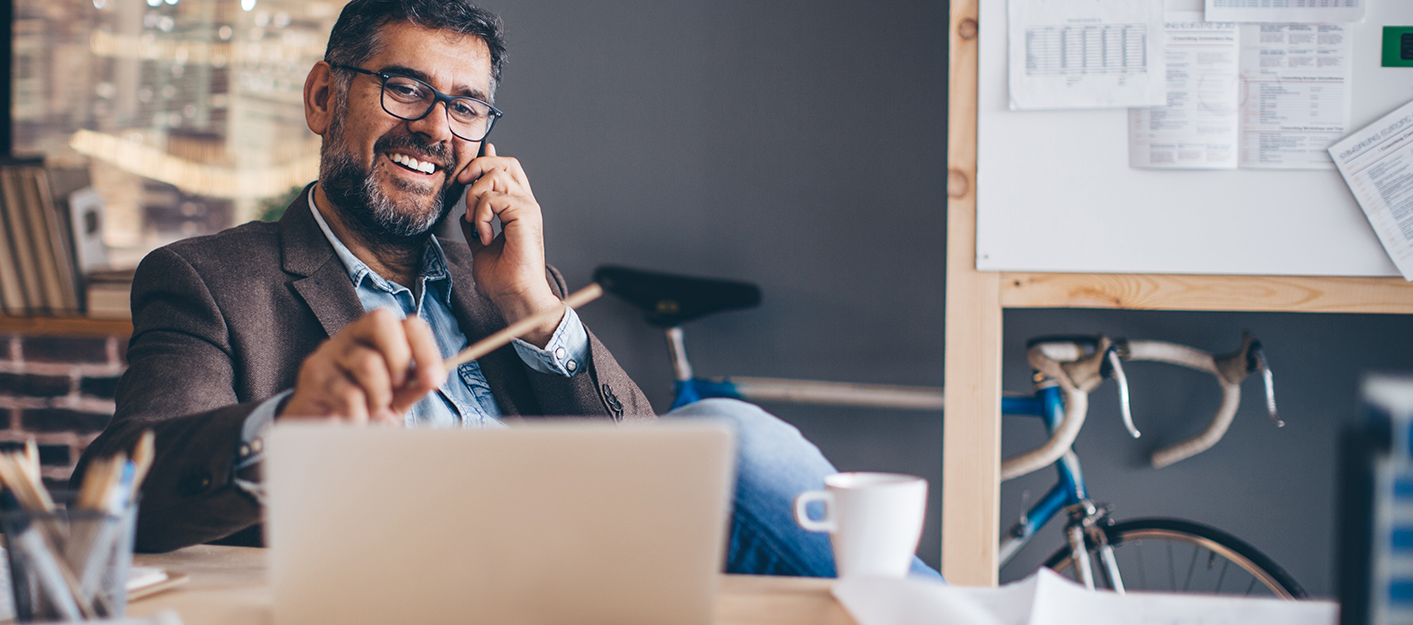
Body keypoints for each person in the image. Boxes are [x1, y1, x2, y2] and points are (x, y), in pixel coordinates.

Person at [77, 0, 937, 579]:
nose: (434, 128)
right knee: (734, 432)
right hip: (412, 585)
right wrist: (290, 424)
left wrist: (538, 309)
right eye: (404, 87)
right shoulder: (213, 280)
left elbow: (655, 458)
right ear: (323, 95)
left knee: (729, 441)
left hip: (586, 576)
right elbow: (114, 494)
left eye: (466, 107)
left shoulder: (505, 283)